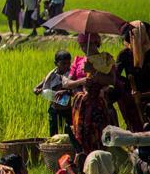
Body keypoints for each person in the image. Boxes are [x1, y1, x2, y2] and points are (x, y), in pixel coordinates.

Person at [63, 34, 117, 165]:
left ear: (96, 43)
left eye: (89, 45)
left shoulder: (106, 59)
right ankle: (86, 165)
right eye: (82, 45)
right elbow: (66, 82)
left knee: (98, 134)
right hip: (81, 105)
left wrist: (93, 72)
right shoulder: (78, 61)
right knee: (81, 136)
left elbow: (112, 80)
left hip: (98, 103)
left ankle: (102, 165)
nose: (85, 49)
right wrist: (82, 80)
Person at [115, 21, 150, 128]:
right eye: (132, 36)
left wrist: (144, 94)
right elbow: (115, 75)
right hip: (132, 96)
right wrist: (127, 87)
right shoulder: (124, 54)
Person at [34, 50, 74, 138]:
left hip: (67, 110)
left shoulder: (71, 75)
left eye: (68, 63)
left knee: (69, 133)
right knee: (54, 134)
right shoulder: (52, 75)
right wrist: (38, 90)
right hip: (54, 109)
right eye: (63, 63)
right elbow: (37, 87)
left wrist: (65, 91)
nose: (66, 66)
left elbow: (76, 91)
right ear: (56, 63)